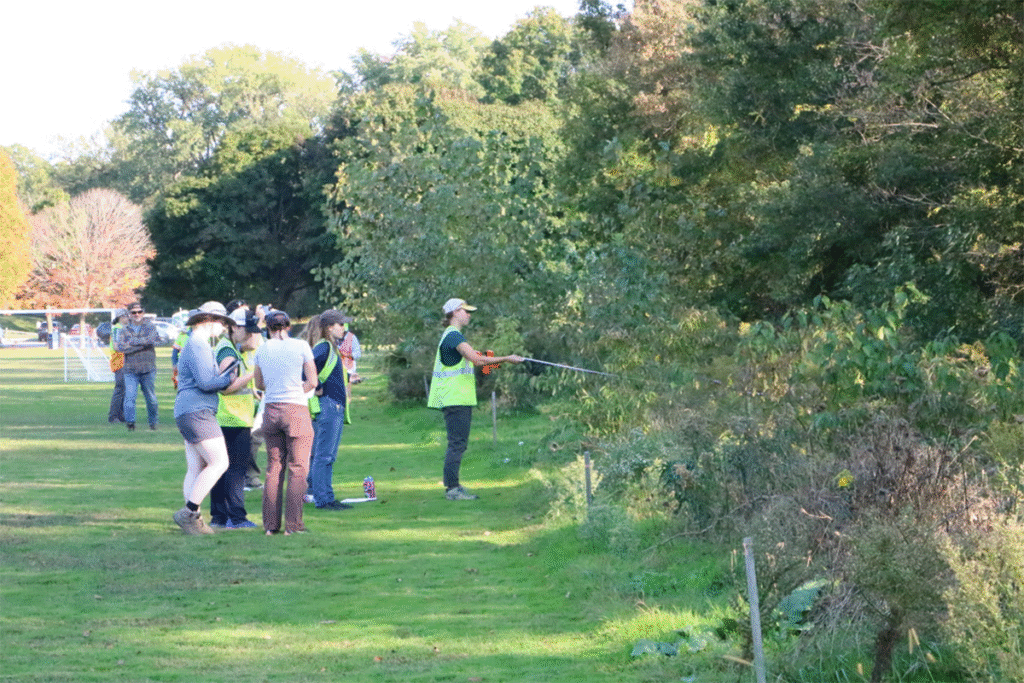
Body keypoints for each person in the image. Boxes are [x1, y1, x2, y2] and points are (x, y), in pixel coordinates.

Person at [427, 298, 524, 500]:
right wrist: (507, 358)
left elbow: (478, 359)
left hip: (457, 398)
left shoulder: (454, 336)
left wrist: (497, 362)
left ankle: (453, 486)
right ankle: (452, 489)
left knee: (458, 443)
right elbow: (477, 359)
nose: (469, 314)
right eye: (466, 311)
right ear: (454, 313)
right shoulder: (453, 336)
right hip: (455, 399)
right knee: (457, 444)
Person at [172, 301, 237, 535]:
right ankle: (189, 512)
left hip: (186, 410)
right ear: (209, 320)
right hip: (197, 411)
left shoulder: (194, 343)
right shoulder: (198, 345)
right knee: (220, 462)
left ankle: (194, 521)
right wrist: (227, 378)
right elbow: (206, 383)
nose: (223, 327)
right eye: (221, 322)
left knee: (196, 467)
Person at [253, 310, 316, 535]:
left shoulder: (262, 349)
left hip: (272, 410)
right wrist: (298, 391)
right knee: (298, 468)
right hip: (296, 409)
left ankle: (271, 526)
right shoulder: (300, 346)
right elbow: (312, 380)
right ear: (288, 326)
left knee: (274, 468)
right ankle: (293, 525)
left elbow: (259, 383)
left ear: (267, 328)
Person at [207, 308, 263, 529]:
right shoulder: (228, 352)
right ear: (234, 327)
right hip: (232, 417)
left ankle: (219, 517)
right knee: (236, 470)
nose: (250, 335)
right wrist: (252, 374)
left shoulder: (229, 347)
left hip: (229, 417)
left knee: (222, 468)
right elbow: (226, 387)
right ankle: (237, 517)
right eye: (246, 330)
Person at [305, 310, 354, 511]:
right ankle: (323, 499)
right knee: (324, 456)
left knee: (326, 455)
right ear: (329, 327)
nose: (344, 328)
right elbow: (305, 369)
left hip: (332, 405)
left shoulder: (330, 348)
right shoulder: (324, 347)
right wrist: (316, 387)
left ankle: (326, 496)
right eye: (340, 324)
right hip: (328, 406)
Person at [117, 302, 160, 431]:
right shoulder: (124, 329)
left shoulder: (150, 327)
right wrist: (143, 344)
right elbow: (121, 347)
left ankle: (153, 423)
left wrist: (132, 343)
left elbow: (152, 341)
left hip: (148, 368)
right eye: (134, 312)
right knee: (130, 397)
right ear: (129, 314)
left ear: (143, 312)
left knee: (151, 398)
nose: (137, 315)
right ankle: (130, 424)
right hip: (130, 369)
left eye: (139, 312)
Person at [107, 309, 127, 424]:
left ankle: (120, 415)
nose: (128, 318)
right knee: (119, 389)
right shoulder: (117, 329)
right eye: (126, 316)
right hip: (119, 362)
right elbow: (116, 346)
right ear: (121, 317)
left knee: (124, 390)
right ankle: (113, 416)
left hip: (124, 361)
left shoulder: (121, 329)